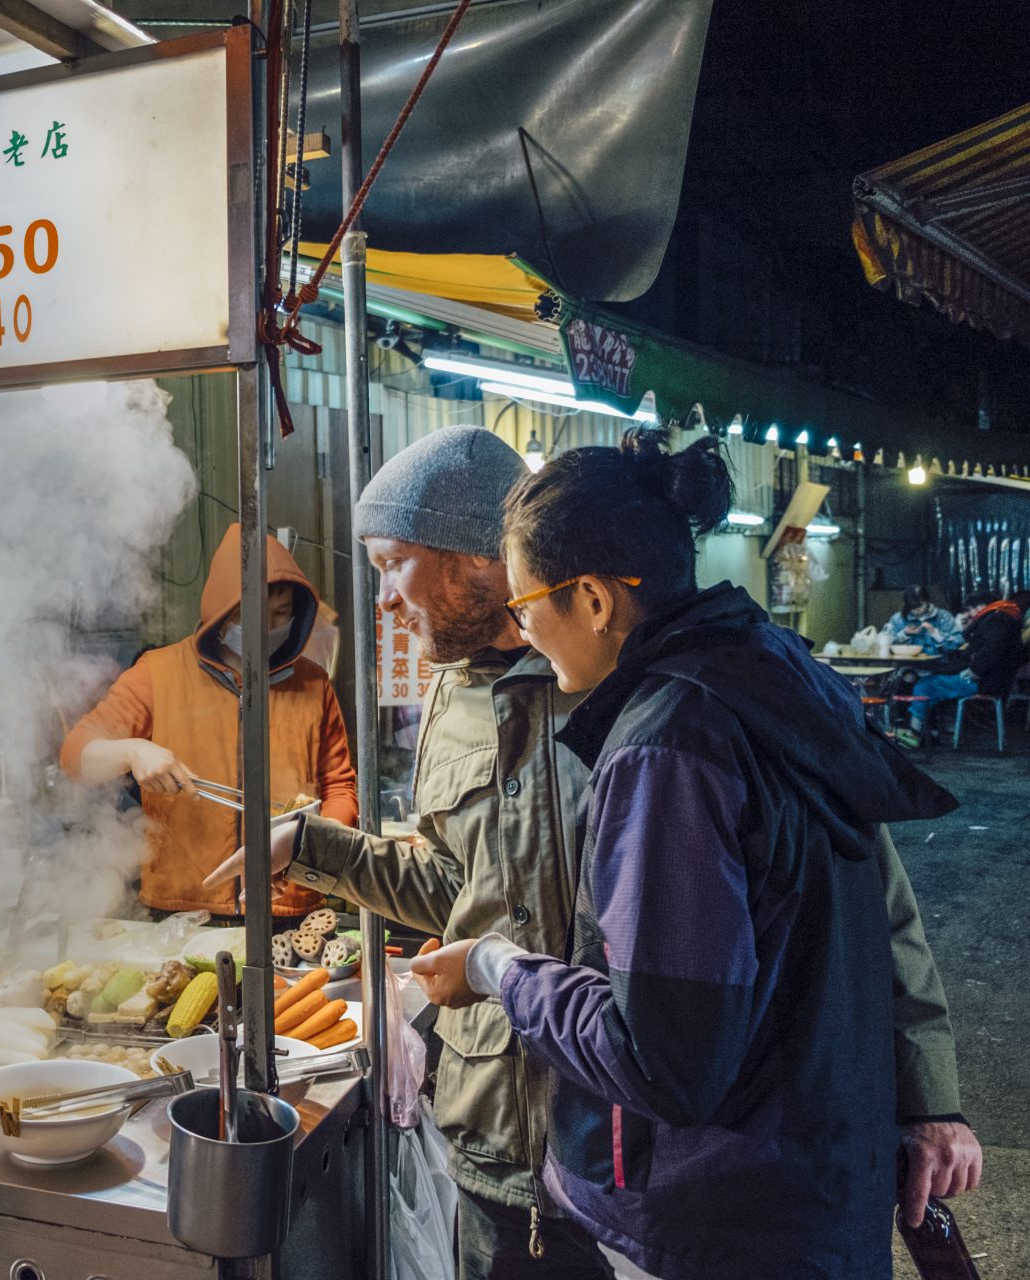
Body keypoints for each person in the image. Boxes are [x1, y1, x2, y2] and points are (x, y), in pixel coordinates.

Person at [207, 425, 976, 1279]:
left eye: (393, 562)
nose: (382, 597)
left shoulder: (658, 693)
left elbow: (867, 901)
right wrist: (311, 847)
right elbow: (468, 891)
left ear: (482, 560)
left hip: (658, 1152)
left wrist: (926, 1096)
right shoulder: (453, 698)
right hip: (502, 1131)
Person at [60, 527, 357, 917]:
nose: (266, 629)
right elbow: (75, 756)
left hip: (288, 905)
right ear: (222, 609)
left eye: (280, 615)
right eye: (249, 615)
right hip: (182, 904)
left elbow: (339, 787)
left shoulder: (313, 683)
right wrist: (133, 750)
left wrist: (311, 848)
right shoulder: (158, 673)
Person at [897, 592, 1029, 746]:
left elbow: (991, 650)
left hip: (984, 682)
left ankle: (914, 734)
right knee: (931, 688)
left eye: (970, 610)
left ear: (980, 606)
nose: (969, 614)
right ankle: (930, 733)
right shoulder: (1004, 617)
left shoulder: (997, 619)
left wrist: (974, 672)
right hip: (995, 680)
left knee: (925, 685)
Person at [884, 584, 963, 655]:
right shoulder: (898, 619)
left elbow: (959, 641)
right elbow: (883, 644)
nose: (916, 610)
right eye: (912, 607)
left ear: (927, 601)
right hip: (909, 666)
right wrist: (904, 634)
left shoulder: (943, 616)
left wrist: (935, 633)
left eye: (920, 605)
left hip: (939, 666)